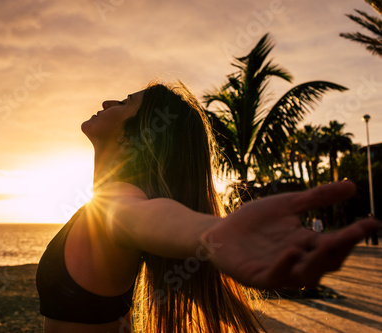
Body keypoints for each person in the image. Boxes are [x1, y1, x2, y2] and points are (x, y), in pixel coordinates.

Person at [36, 82, 379, 333]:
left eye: (125, 102)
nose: (107, 100)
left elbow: (138, 218)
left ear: (131, 137)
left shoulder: (115, 202)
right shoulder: (108, 201)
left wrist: (210, 233)